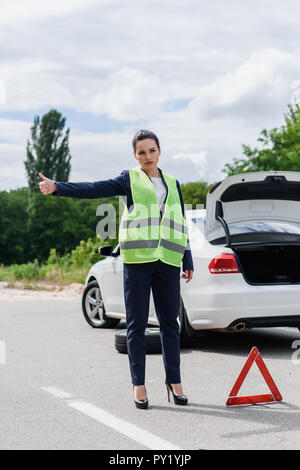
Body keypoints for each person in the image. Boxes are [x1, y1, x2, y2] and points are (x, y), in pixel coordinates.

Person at [39, 129, 194, 409]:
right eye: (141, 152)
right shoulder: (129, 179)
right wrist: (58, 187)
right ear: (135, 155)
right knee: (135, 325)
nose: (147, 156)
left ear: (160, 151)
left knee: (170, 324)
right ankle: (139, 385)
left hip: (168, 262)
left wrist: (188, 259)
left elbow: (180, 221)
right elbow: (95, 188)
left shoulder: (173, 182)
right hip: (137, 262)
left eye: (152, 150)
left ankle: (174, 381)